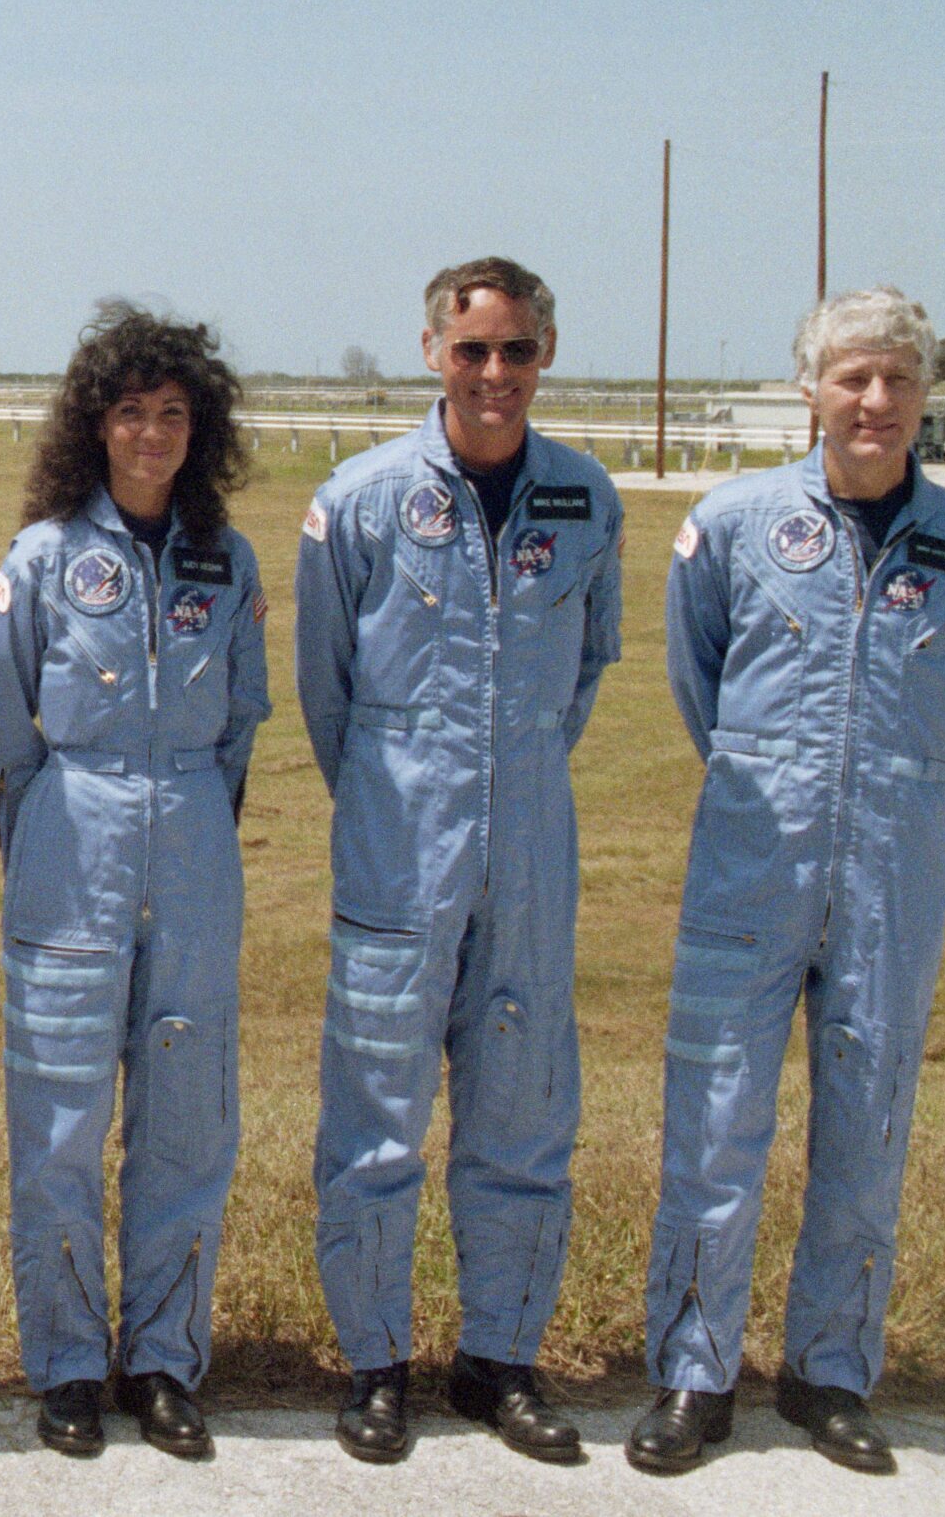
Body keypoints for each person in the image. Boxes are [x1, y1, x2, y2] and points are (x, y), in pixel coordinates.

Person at [625, 288, 945, 1477]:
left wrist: (879, 784)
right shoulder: (736, 522)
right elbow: (698, 676)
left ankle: (830, 1371)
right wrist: (780, 775)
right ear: (809, 387)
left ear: (923, 392)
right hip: (752, 858)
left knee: (869, 1115)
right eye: (851, 376)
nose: (875, 400)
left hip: (894, 865)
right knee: (717, 1116)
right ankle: (693, 1375)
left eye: (897, 376)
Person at [294, 256, 622, 1466]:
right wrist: (404, 791)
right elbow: (324, 687)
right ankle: (374, 1359)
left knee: (525, 1115)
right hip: (396, 843)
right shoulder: (364, 497)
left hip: (531, 847)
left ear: (544, 355)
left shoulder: (587, 500)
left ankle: (500, 1359)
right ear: (433, 349)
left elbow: (586, 672)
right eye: (473, 349)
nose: (495, 373)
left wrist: (508, 778)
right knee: (376, 1118)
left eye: (518, 350)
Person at [0, 303, 269, 1462]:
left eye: (174, 414)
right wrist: (45, 821)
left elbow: (242, 715)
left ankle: (162, 1361)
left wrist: (191, 810)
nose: (152, 434)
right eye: (132, 412)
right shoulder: (42, 557)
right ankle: (66, 1365)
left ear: (202, 428)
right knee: (58, 1118)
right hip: (70, 836)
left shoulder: (224, 557)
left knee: (189, 1119)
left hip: (192, 835)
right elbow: (2, 709)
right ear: (96, 424)